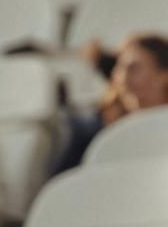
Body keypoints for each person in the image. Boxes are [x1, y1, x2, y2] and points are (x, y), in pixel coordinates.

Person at [49, 33, 168, 175]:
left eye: (134, 68)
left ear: (164, 75)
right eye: (120, 68)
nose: (123, 78)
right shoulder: (90, 131)